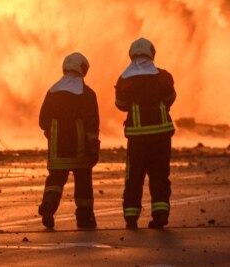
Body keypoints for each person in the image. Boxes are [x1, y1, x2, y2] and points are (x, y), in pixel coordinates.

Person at [114, 36, 177, 229]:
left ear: (131, 55)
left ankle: (131, 216)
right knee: (159, 175)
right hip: (161, 134)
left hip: (137, 136)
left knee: (134, 176)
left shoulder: (124, 78)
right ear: (152, 54)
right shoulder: (163, 76)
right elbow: (170, 98)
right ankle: (160, 214)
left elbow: (121, 105)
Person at [37, 52, 100, 230]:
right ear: (82, 70)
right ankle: (85, 218)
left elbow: (43, 121)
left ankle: (48, 206)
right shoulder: (87, 94)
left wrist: (52, 133)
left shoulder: (53, 92)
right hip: (80, 148)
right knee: (83, 181)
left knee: (55, 180)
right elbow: (92, 123)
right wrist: (94, 147)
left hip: (57, 148)